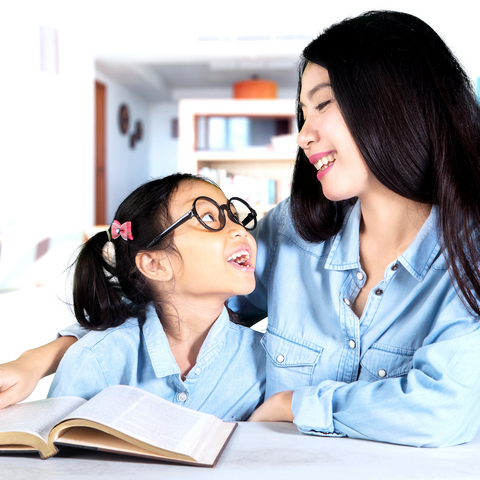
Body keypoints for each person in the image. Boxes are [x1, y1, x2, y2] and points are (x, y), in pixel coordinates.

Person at [2, 10, 480, 447]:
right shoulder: (295, 232)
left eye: (323, 104)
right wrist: (43, 357)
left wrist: (296, 405)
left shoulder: (468, 258)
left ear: (393, 103)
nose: (303, 134)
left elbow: (445, 409)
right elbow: (169, 293)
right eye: (303, 112)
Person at [1, 173, 265, 421]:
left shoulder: (264, 362)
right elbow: (55, 454)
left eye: (234, 216)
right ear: (155, 265)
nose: (240, 230)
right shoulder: (96, 358)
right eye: (208, 218)